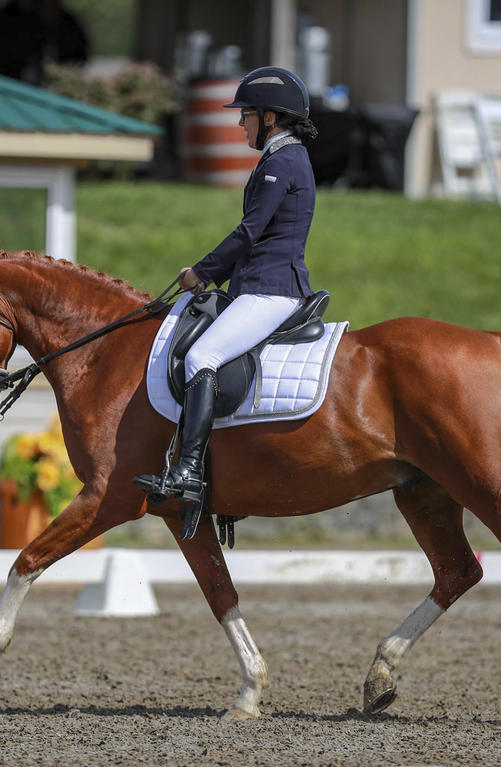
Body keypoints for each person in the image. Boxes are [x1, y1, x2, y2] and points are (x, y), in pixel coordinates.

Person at [134, 66, 320, 513]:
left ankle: (188, 469)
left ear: (270, 117)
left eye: (247, 115)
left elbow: (250, 232)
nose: (241, 124)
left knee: (202, 356)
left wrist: (202, 272)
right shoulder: (280, 159)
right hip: (259, 286)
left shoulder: (284, 162)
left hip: (271, 290)